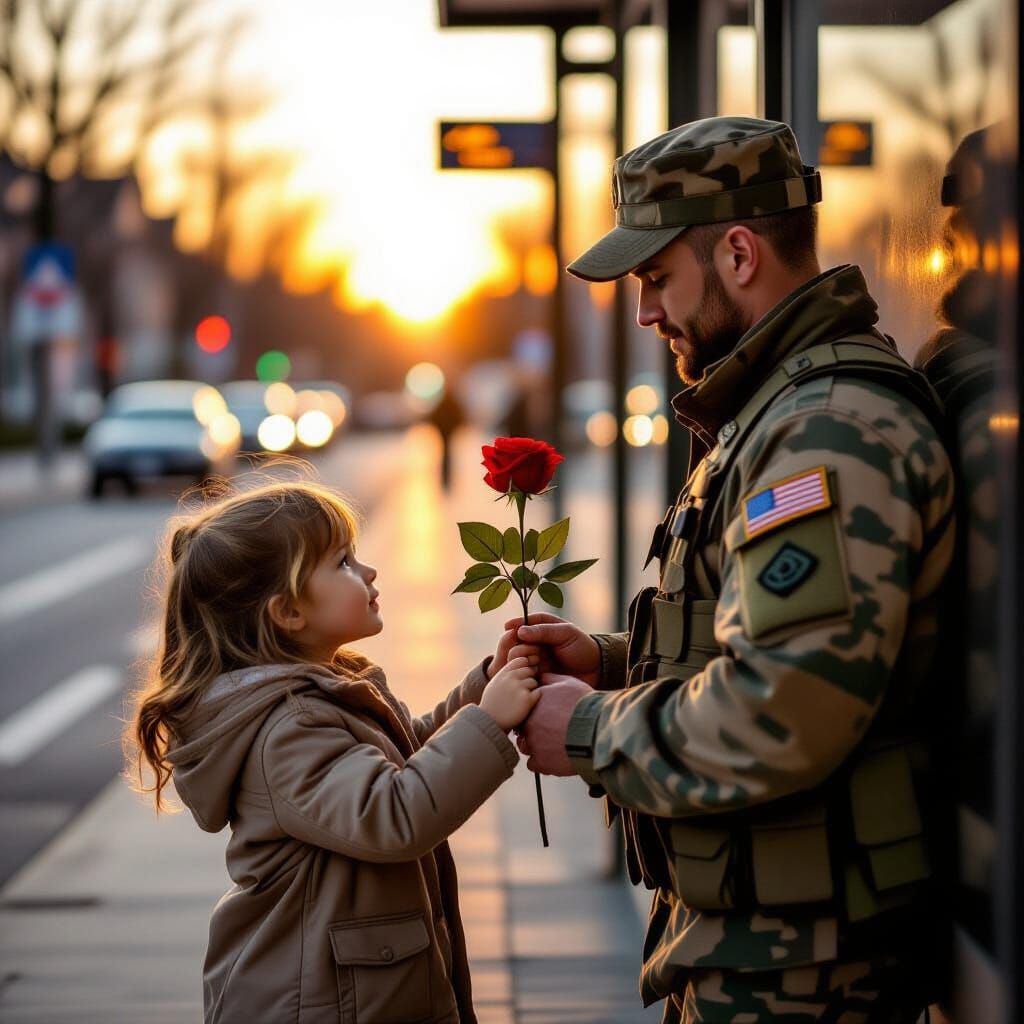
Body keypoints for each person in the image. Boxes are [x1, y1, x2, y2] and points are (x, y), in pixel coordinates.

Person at [510, 117, 956, 1022]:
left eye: (656, 278)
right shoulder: (778, 411)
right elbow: (756, 634)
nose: (645, 312)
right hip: (768, 951)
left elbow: (786, 707)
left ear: (741, 254)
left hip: (806, 976)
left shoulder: (822, 431)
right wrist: (613, 661)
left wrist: (592, 729)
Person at [125, 480, 540, 1024]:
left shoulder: (313, 693)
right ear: (288, 612)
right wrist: (489, 721)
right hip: (320, 1003)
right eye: (343, 562)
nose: (368, 571)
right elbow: (394, 812)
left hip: (351, 992)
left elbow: (401, 757)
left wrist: (481, 690)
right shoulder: (287, 729)